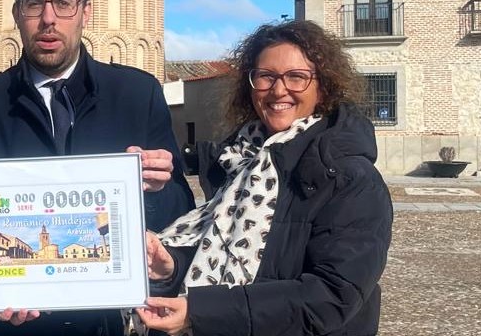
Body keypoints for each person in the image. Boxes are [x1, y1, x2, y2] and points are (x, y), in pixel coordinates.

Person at [0, 0, 196, 335]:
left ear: (86, 11)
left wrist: (156, 188)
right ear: (17, 13)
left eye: (63, 3)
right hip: (16, 328)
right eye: (34, 4)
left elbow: (182, 211)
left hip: (111, 325)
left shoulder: (137, 94)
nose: (48, 19)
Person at [135, 20, 392, 336]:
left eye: (297, 77)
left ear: (323, 87)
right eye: (266, 77)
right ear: (250, 85)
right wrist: (172, 265)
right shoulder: (240, 162)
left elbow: (331, 298)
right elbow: (222, 258)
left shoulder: (350, 178)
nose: (279, 89)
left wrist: (200, 313)